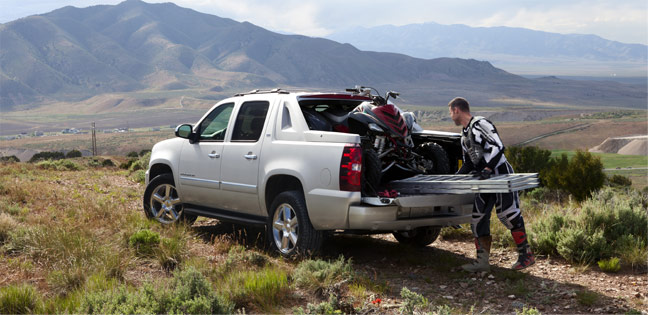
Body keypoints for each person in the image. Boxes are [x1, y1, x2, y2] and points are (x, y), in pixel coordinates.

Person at [448, 97, 535, 272]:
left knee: (507, 214)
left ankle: (526, 256)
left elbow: (499, 146)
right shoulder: (464, 134)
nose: (450, 116)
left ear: (457, 110)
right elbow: (468, 163)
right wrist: (455, 178)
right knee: (478, 217)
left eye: (450, 112)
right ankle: (482, 263)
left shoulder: (481, 123)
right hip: (483, 180)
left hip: (500, 172)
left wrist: (488, 167)